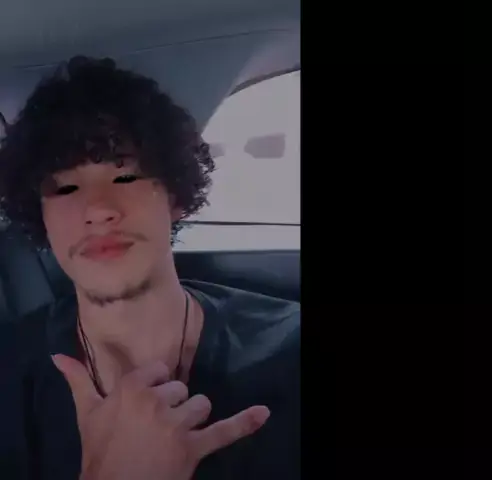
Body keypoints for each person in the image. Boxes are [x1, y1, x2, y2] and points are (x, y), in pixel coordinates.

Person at [0, 56, 300, 479]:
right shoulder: (9, 376)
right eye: (65, 188)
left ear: (174, 197)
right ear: (41, 217)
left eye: (125, 177)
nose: (98, 210)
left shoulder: (289, 350)